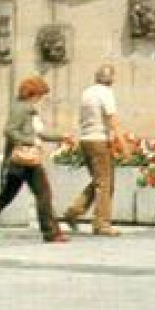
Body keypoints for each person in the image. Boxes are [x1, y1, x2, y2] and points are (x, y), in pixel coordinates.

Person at [0, 76, 69, 244]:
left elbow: (40, 134)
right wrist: (28, 141)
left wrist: (61, 137)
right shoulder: (21, 109)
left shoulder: (28, 109)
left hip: (22, 160)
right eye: (40, 95)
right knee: (43, 194)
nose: (41, 99)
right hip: (23, 160)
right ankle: (51, 232)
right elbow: (9, 131)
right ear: (33, 93)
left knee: (7, 195)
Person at [63, 64, 126, 236]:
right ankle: (102, 224)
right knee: (105, 183)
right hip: (99, 140)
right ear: (110, 78)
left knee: (99, 181)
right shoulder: (106, 93)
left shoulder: (87, 93)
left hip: (86, 140)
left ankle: (73, 212)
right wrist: (123, 143)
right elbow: (112, 119)